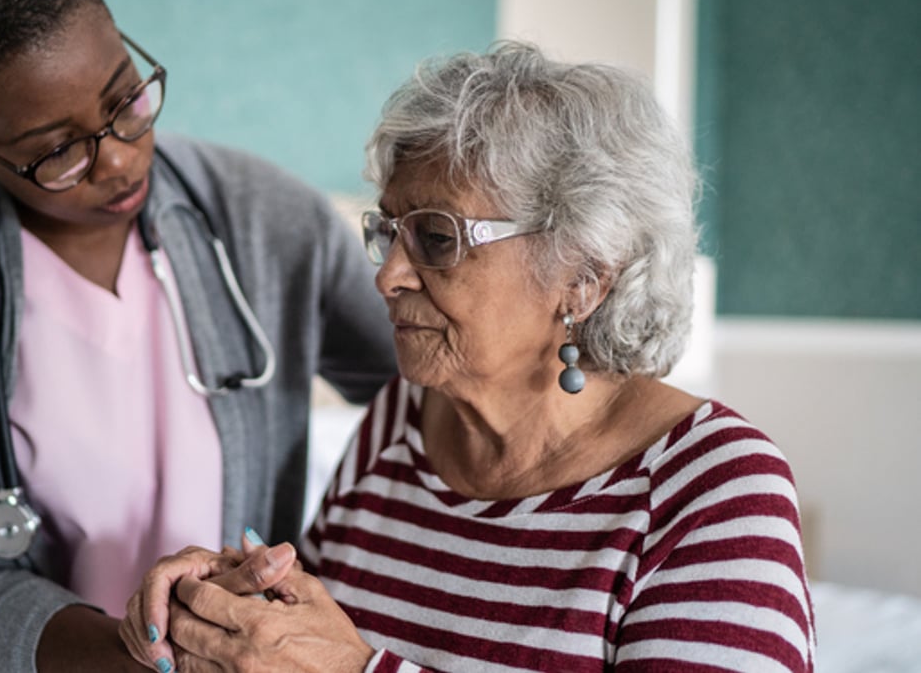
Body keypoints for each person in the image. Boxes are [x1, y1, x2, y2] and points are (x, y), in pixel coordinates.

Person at [121, 42, 815, 672]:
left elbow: (341, 663)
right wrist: (229, 609)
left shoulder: (715, 491)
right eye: (387, 231)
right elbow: (312, 640)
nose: (386, 276)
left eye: (436, 237)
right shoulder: (401, 421)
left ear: (582, 277)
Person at [0, 0, 398, 671]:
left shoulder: (268, 219)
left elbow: (431, 394)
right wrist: (162, 656)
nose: (119, 160)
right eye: (59, 150)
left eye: (124, 100)